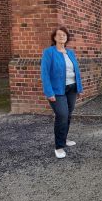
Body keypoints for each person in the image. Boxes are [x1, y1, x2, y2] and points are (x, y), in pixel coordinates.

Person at [41, 27, 83, 159]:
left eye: (64, 35)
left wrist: (79, 88)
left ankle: (64, 139)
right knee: (62, 115)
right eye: (59, 35)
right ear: (54, 38)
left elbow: (76, 71)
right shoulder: (49, 52)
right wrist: (49, 92)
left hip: (72, 88)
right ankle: (59, 146)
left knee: (68, 115)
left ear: (67, 38)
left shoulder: (70, 53)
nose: (61, 37)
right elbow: (45, 73)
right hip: (57, 90)